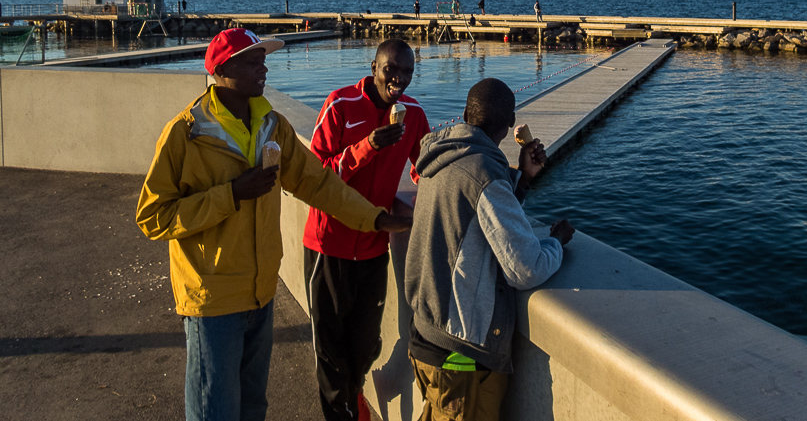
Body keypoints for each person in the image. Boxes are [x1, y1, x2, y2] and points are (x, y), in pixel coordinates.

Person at [136, 28, 411, 421]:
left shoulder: (273, 125)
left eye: (263, 60)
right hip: (211, 301)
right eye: (252, 61)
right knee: (214, 409)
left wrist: (375, 219)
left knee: (252, 407)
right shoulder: (186, 133)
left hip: (261, 295)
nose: (263, 69)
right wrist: (231, 194)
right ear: (221, 69)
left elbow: (316, 183)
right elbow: (152, 216)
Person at [405, 78, 575, 421]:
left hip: (426, 334)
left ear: (467, 114)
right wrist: (556, 242)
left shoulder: (443, 156)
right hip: (460, 356)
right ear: (511, 124)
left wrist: (522, 180)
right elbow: (525, 268)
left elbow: (474, 220)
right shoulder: (484, 173)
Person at [303, 39, 431, 421]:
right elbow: (315, 176)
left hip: (374, 248)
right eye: (392, 69)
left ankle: (354, 393)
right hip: (329, 245)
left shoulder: (412, 114)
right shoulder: (341, 105)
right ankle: (341, 412)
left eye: (407, 71)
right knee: (329, 349)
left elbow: (424, 165)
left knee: (364, 345)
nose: (400, 79)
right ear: (374, 67)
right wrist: (367, 147)